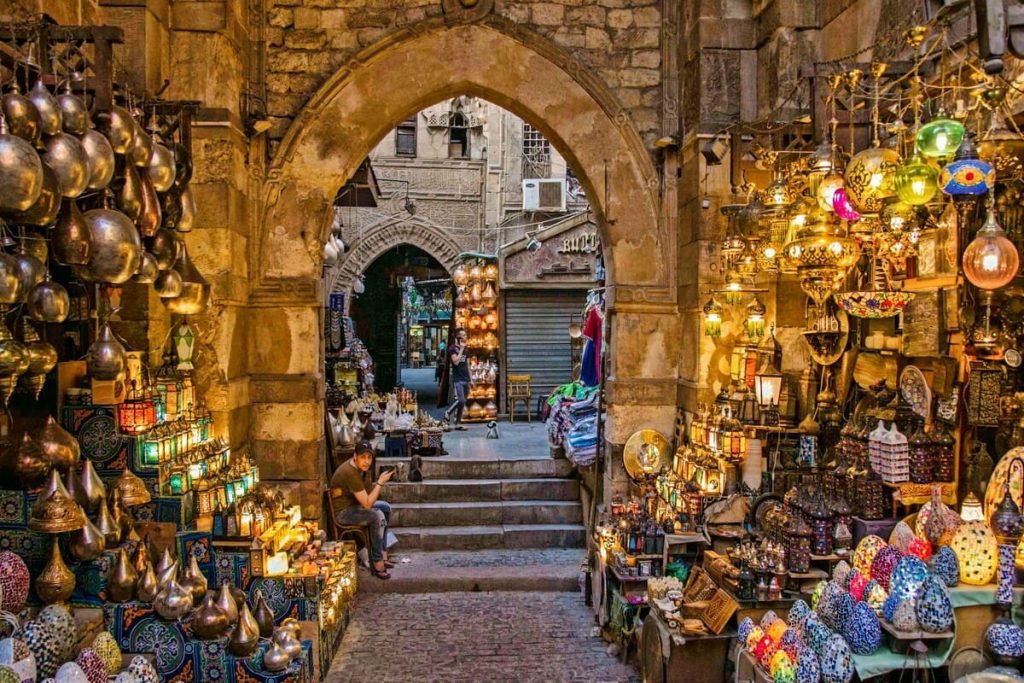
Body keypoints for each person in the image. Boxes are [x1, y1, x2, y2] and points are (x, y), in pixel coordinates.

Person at [330, 441, 395, 579]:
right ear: (355, 457)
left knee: (385, 508)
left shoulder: (361, 470)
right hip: (344, 513)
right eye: (362, 457)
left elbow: (367, 494)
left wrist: (369, 477)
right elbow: (367, 504)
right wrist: (380, 483)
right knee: (377, 516)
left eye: (369, 457)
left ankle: (383, 553)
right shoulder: (350, 473)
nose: (366, 461)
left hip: (355, 505)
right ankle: (377, 562)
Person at [444, 329, 470, 430]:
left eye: (465, 335)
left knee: (463, 402)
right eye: (463, 335)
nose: (465, 337)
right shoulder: (452, 349)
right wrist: (461, 350)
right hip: (457, 378)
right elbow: (456, 362)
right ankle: (448, 412)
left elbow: (467, 365)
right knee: (461, 399)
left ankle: (458, 423)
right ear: (458, 337)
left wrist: (471, 379)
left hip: (465, 378)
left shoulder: (466, 349)